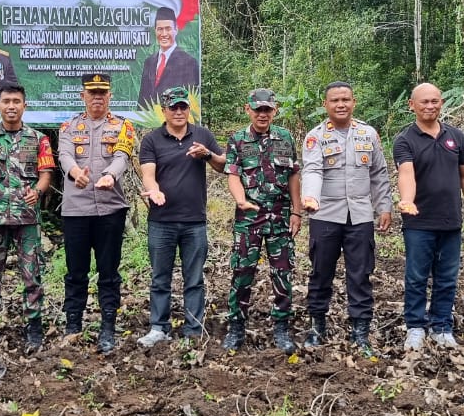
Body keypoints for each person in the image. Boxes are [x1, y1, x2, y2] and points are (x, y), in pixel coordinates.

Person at [300, 81, 392, 356]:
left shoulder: (368, 134)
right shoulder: (315, 137)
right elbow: (313, 169)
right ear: (326, 104)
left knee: (361, 273)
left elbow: (379, 174)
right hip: (325, 214)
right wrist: (311, 197)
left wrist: (384, 206)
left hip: (361, 216)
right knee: (320, 272)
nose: (341, 105)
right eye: (335, 100)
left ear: (353, 102)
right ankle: (317, 326)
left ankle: (360, 330)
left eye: (346, 100)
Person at [393, 83, 464, 351]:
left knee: (447, 277)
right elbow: (406, 173)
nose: (430, 106)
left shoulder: (456, 136)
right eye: (424, 102)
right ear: (412, 105)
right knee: (417, 277)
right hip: (419, 223)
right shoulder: (404, 140)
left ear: (441, 102)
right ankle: (415, 327)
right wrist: (407, 200)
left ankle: (442, 326)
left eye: (434, 101)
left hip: (451, 221)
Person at [0, 83, 56, 353]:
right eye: (6, 101)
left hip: (27, 218)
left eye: (16, 101)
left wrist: (39, 192)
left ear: (24, 105)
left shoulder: (39, 139)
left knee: (32, 274)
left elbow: (45, 174)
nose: (11, 106)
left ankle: (33, 327)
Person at [137, 87, 225, 347]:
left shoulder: (202, 135)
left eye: (183, 107)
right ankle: (158, 327)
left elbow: (224, 165)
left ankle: (194, 329)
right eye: (173, 107)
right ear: (164, 110)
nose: (178, 111)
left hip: (194, 221)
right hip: (161, 221)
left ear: (189, 109)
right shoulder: (152, 140)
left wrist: (207, 155)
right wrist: (154, 192)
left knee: (194, 277)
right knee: (160, 277)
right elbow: (148, 175)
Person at [58, 73, 137, 354]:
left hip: (109, 210)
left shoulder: (123, 126)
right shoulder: (68, 127)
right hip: (76, 211)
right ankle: (73, 325)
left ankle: (107, 327)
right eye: (92, 93)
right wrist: (75, 172)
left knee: (108, 272)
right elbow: (65, 155)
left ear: (110, 96)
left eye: (102, 92)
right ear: (83, 96)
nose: (97, 97)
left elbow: (122, 156)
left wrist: (110, 176)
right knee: (76, 272)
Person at [222, 89, 302, 354]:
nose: (262, 114)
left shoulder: (285, 138)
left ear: (274, 111)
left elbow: (293, 176)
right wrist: (240, 199)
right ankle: (236, 326)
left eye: (267, 110)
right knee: (242, 272)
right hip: (249, 218)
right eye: (258, 110)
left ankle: (281, 326)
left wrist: (296, 211)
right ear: (248, 110)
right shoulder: (237, 139)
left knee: (282, 273)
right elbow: (232, 173)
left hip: (280, 216)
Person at [137, 6, 199, 106]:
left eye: (168, 29)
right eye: (160, 29)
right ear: (155, 30)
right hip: (149, 120)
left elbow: (191, 101)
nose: (164, 34)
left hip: (174, 119)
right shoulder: (149, 62)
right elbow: (142, 101)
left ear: (176, 30)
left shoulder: (189, 62)